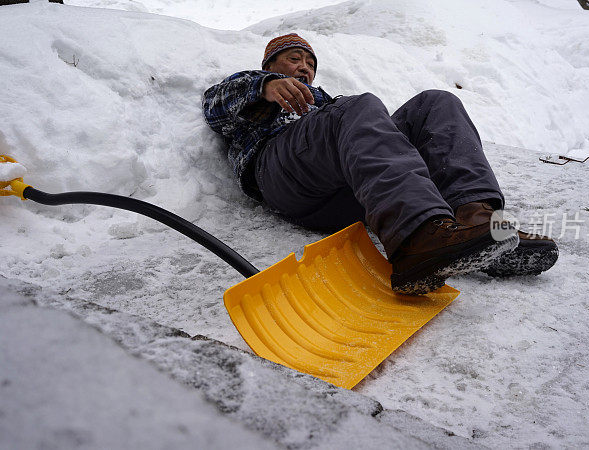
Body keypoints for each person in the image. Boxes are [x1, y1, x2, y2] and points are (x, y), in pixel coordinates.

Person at [203, 33, 557, 294]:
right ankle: (417, 241)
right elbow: (214, 106)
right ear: (269, 65)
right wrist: (264, 87)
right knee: (359, 106)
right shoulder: (247, 87)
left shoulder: (325, 101)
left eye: (310, 63)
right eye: (294, 59)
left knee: (436, 102)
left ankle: (475, 219)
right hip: (283, 178)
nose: (304, 68)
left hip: (347, 193)